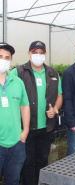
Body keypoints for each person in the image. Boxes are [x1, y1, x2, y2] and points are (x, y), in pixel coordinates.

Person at [11, 41, 63, 185]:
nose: (38, 55)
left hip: (46, 127)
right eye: (35, 53)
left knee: (42, 160)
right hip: (26, 127)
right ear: (29, 54)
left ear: (45, 54)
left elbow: (59, 95)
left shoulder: (53, 73)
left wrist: (56, 109)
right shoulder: (19, 72)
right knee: (27, 161)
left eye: (41, 53)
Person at [0, 43, 30, 184]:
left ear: (11, 60)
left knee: (13, 180)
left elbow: (24, 106)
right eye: (0, 56)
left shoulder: (18, 82)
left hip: (16, 142)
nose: (4, 60)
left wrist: (25, 131)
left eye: (7, 57)